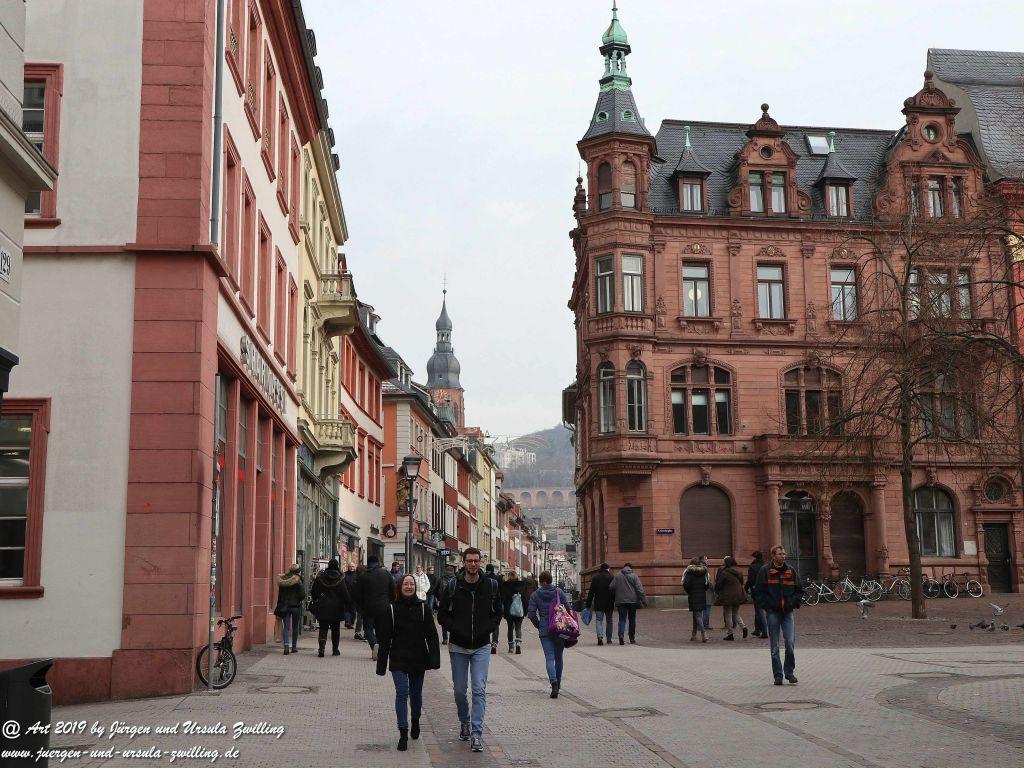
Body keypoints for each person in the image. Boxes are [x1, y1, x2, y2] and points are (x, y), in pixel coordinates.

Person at [437, 547, 502, 753]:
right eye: (469, 561)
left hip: (481, 645)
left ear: (480, 562)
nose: (473, 564)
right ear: (463, 563)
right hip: (458, 645)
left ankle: (476, 733)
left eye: (476, 561)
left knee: (479, 689)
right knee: (459, 691)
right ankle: (464, 721)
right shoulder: (453, 586)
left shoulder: (491, 585)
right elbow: (442, 615)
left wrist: (488, 628)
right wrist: (456, 629)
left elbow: (498, 613)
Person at [376, 574, 441, 751]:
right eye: (406, 584)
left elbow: (432, 636)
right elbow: (385, 639)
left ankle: (415, 720)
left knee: (416, 694)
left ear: (415, 587)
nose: (409, 586)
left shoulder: (423, 608)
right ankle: (403, 732)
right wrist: (381, 665)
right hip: (398, 658)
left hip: (418, 658)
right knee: (402, 692)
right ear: (400, 587)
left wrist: (434, 659)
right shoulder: (391, 609)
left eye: (411, 584)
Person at [753, 545, 805, 686]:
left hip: (787, 612)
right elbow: (758, 592)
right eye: (780, 554)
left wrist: (793, 603)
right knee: (774, 646)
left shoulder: (791, 570)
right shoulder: (765, 571)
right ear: (773, 556)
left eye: (784, 554)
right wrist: (768, 606)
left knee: (790, 642)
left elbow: (799, 590)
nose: (783, 556)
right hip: (773, 613)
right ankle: (778, 675)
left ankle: (789, 672)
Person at [527, 571, 571, 698]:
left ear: (541, 582)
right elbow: (568, 608)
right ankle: (558, 682)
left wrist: (539, 624)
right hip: (559, 628)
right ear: (550, 580)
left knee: (549, 658)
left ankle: (553, 683)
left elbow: (531, 614)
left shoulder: (535, 595)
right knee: (559, 657)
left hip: (545, 630)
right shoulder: (559, 592)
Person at [357, 555, 396, 660]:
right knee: (380, 629)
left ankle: (375, 646)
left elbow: (358, 594)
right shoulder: (386, 574)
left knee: (368, 629)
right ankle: (380, 650)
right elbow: (393, 590)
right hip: (384, 607)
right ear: (378, 563)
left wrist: (360, 608)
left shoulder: (363, 576)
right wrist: (390, 602)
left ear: (368, 563)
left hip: (368, 608)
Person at [311, 558, 352, 657]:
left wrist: (317, 599)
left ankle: (321, 648)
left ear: (329, 565)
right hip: (337, 607)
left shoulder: (321, 577)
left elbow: (314, 591)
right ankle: (335, 649)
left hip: (323, 606)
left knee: (323, 628)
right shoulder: (341, 578)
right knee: (335, 629)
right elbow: (345, 594)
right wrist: (348, 605)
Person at [610, 562, 646, 645]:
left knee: (622, 619)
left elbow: (611, 587)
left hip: (621, 601)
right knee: (632, 619)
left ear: (624, 567)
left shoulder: (617, 576)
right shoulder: (634, 576)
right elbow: (640, 590)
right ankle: (632, 638)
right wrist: (643, 600)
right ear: (631, 568)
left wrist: (617, 593)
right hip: (632, 601)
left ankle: (621, 635)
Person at [714, 555, 748, 641]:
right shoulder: (739, 571)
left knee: (728, 614)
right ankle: (743, 627)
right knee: (736, 613)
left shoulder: (724, 572)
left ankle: (730, 634)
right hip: (738, 594)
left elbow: (719, 584)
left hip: (727, 596)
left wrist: (717, 591)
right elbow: (742, 582)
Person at [275, 563, 305, 655]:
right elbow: (302, 595)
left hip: (285, 606)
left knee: (286, 627)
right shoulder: (298, 580)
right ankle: (294, 647)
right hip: (295, 606)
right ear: (297, 571)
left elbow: (280, 595)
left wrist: (279, 605)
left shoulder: (283, 579)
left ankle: (286, 646)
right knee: (295, 626)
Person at [585, 563, 615, 646]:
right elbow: (614, 591)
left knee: (599, 620)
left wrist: (588, 604)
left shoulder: (595, 578)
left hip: (598, 603)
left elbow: (591, 592)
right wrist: (615, 600)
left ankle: (600, 637)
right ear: (608, 569)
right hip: (609, 603)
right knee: (609, 620)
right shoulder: (612, 577)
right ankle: (609, 639)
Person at [681, 558, 709, 643]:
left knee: (697, 615)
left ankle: (704, 633)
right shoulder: (704, 572)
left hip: (693, 595)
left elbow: (685, 584)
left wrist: (689, 591)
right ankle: (694, 635)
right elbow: (707, 583)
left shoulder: (689, 572)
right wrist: (703, 590)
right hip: (702, 595)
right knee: (696, 614)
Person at [499, 571, 526, 653]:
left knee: (510, 628)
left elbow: (502, 598)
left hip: (509, 610)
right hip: (519, 610)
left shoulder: (505, 585)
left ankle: (511, 647)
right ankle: (518, 644)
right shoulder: (521, 585)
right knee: (518, 627)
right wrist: (525, 610)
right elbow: (525, 598)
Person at [745, 551, 768, 638]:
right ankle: (757, 629)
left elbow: (750, 580)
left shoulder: (752, 567)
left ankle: (765, 631)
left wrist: (746, 588)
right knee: (758, 610)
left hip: (757, 590)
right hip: (766, 590)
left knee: (759, 610)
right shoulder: (766, 566)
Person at [437, 564, 456, 645]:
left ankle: (445, 638)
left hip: (444, 603)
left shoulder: (441, 579)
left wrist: (439, 598)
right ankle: (451, 637)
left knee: (444, 620)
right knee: (453, 620)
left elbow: (435, 590)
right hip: (453, 603)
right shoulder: (456, 580)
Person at [486, 564, 500, 654]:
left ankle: (486, 642)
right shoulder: (497, 579)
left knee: (485, 623)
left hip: (485, 605)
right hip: (495, 605)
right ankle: (494, 642)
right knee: (496, 624)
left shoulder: (483, 578)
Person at [699, 555, 714, 631]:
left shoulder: (697, 569)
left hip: (700, 592)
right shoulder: (704, 569)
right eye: (706, 559)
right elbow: (708, 582)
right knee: (706, 609)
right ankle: (705, 625)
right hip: (706, 592)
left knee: (701, 610)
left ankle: (702, 625)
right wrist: (713, 587)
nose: (707, 560)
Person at [353, 563, 367, 640]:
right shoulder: (362, 579)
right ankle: (363, 632)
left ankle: (358, 632)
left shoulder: (356, 578)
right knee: (362, 617)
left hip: (358, 601)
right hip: (363, 601)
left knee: (360, 616)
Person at [343, 564, 359, 629]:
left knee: (353, 611)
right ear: (348, 567)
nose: (351, 568)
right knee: (346, 610)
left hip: (354, 596)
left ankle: (352, 623)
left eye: (352, 566)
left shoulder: (357, 575)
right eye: (350, 566)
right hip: (346, 595)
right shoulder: (344, 574)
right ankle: (347, 622)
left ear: (355, 567)